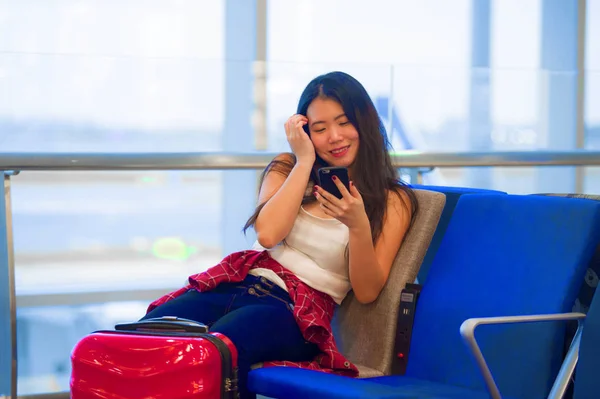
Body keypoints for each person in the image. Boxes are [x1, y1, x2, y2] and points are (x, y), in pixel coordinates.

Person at [141, 71, 418, 398]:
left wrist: (357, 225)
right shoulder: (288, 167)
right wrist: (304, 163)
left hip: (297, 312)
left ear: (365, 122)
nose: (334, 137)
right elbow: (269, 234)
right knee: (153, 333)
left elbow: (369, 290)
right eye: (319, 128)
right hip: (241, 281)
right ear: (304, 132)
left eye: (344, 122)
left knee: (222, 347)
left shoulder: (392, 199)